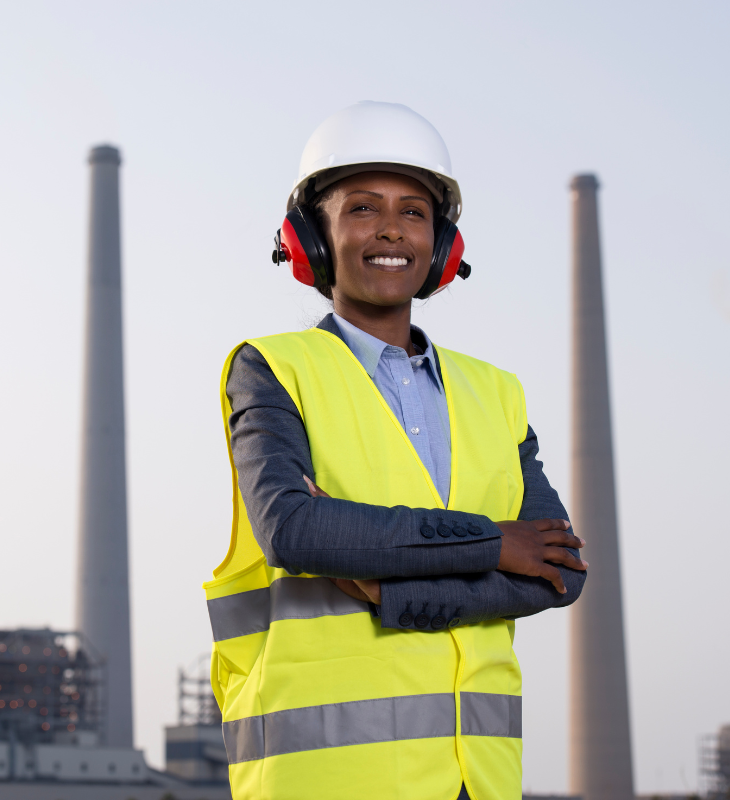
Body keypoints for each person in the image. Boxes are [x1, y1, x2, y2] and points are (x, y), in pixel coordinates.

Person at [203, 101, 587, 800]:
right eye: (361, 209)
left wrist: (396, 589)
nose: (390, 229)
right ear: (308, 240)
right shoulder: (271, 370)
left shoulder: (497, 393)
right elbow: (297, 529)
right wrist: (496, 543)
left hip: (481, 778)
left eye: (413, 212)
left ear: (443, 248)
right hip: (324, 780)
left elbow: (560, 569)